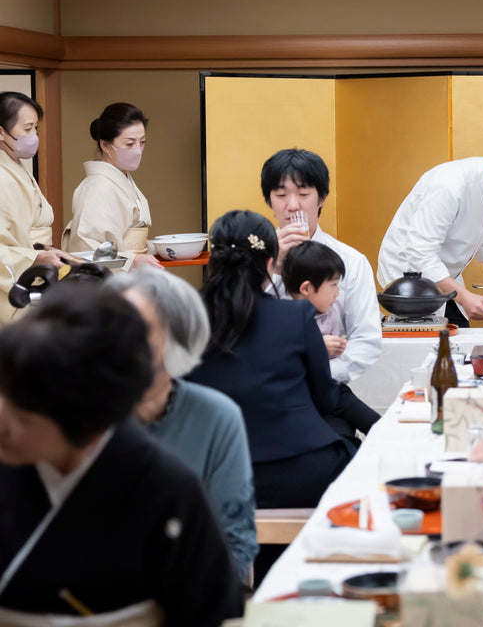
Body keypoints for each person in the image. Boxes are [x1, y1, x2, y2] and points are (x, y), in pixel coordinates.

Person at [0, 284, 243, 625]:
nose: (2, 422)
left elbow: (212, 614)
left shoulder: (167, 491)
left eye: (24, 417)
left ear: (89, 420)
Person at [187, 210, 354, 510]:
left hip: (213, 477)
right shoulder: (295, 316)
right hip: (300, 472)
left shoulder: (185, 318)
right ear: (269, 264)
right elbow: (325, 399)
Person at [107, 267, 257, 583]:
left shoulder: (216, 418)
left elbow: (235, 540)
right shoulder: (86, 415)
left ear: (176, 337)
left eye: (142, 330)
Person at [261, 148, 381, 440]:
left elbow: (366, 341)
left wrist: (317, 374)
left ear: (322, 198)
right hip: (265, 397)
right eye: (280, 195)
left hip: (326, 395)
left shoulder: (350, 261)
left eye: (303, 194)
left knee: (337, 442)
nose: (292, 206)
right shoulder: (254, 262)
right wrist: (273, 266)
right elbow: (241, 327)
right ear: (269, 201)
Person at [377, 143, 483, 327]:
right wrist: (463, 297)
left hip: (444, 271)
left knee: (457, 329)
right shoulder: (449, 186)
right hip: (409, 270)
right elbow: (419, 252)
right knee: (433, 338)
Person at [0, 91, 75, 322]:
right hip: (18, 281)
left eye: (36, 129)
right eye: (27, 129)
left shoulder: (16, 168)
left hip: (36, 269)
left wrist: (44, 253)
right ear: (1, 132)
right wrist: (35, 258)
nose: (33, 136)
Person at [62, 102, 161, 269]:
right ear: (106, 145)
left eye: (142, 142)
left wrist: (156, 248)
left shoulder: (121, 181)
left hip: (129, 275)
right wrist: (132, 260)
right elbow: (87, 247)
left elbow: (128, 240)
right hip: (110, 282)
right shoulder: (97, 187)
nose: (138, 150)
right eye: (130, 143)